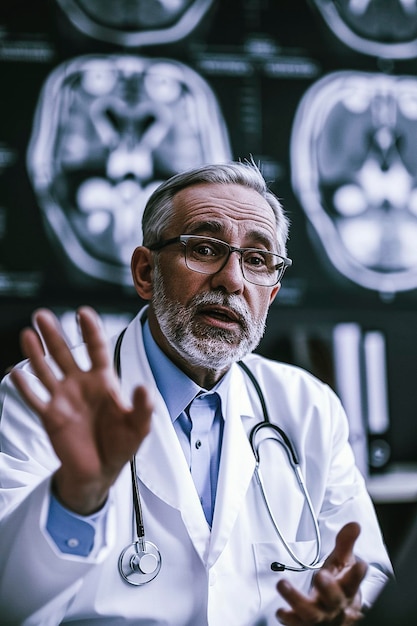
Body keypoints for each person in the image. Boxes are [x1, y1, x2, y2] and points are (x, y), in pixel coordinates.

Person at [0, 161, 392, 625]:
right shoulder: (49, 396)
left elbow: (367, 574)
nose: (232, 279)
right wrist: (75, 497)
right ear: (146, 272)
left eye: (257, 260)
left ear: (272, 293)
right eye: (205, 249)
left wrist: (346, 607)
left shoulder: (309, 407)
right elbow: (10, 600)